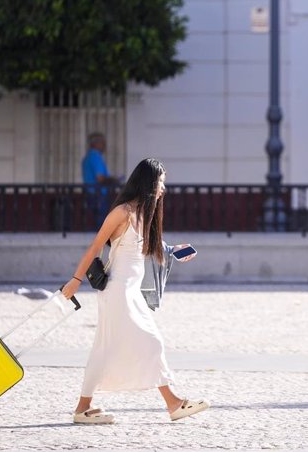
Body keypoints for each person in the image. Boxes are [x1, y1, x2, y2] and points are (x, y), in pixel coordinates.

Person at [62, 158, 209, 424]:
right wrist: (75, 280)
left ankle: (82, 409)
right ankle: (174, 403)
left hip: (130, 292)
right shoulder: (122, 212)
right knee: (151, 341)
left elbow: (148, 248)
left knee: (104, 349)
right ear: (150, 183)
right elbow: (95, 246)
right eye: (161, 182)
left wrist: (174, 251)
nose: (164, 188)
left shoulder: (144, 215)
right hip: (118, 290)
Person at [81, 132, 120, 229]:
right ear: (96, 143)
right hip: (97, 195)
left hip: (91, 193)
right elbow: (100, 178)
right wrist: (113, 180)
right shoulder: (95, 157)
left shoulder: (87, 157)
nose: (104, 145)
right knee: (101, 224)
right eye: (102, 143)